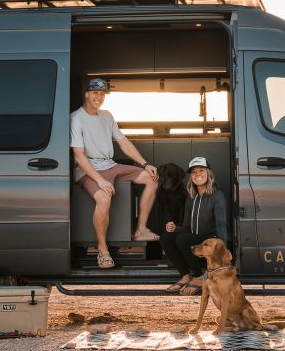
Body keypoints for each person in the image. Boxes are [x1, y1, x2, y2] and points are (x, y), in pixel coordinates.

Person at [70, 78, 160, 269]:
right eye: (95, 93)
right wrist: (100, 180)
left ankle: (141, 230)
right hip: (89, 169)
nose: (99, 97)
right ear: (86, 94)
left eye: (102, 94)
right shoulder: (76, 119)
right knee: (103, 198)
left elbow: (123, 142)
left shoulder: (107, 116)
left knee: (151, 178)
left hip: (110, 165)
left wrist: (144, 164)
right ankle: (102, 250)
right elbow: (79, 156)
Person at [160, 157, 228, 295]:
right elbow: (186, 226)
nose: (198, 174)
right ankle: (186, 275)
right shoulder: (191, 197)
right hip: (195, 238)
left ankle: (198, 277)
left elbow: (221, 225)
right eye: (193, 172)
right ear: (190, 176)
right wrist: (175, 229)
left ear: (208, 173)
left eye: (201, 170)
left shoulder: (217, 195)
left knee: (183, 239)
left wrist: (223, 251)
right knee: (166, 238)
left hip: (210, 239)